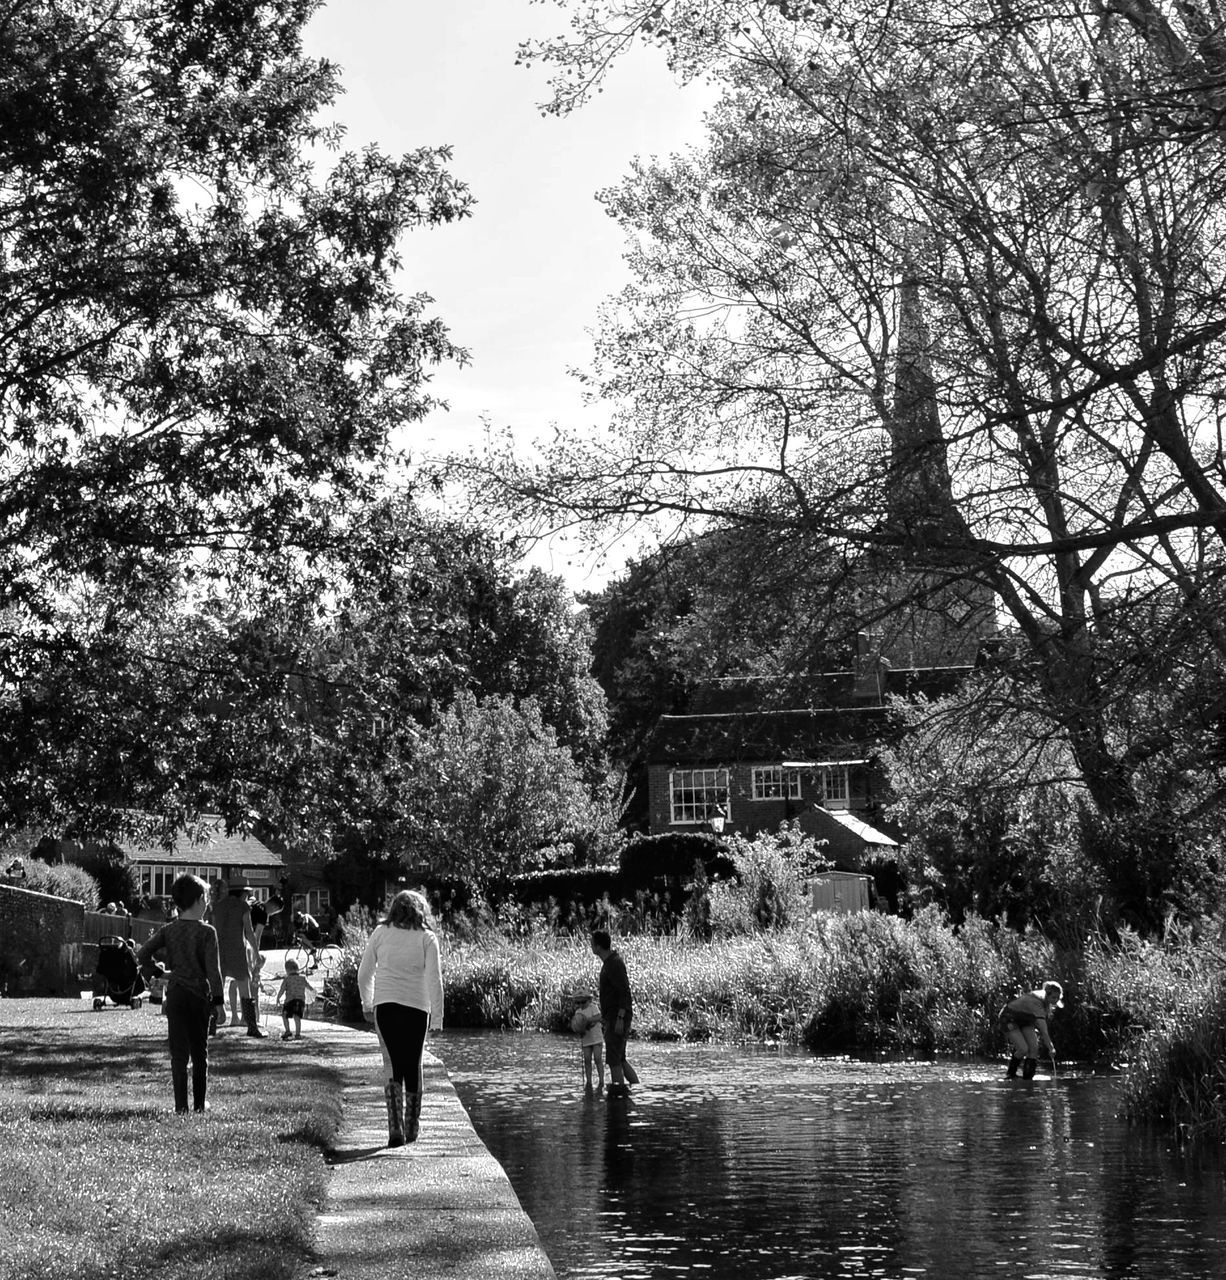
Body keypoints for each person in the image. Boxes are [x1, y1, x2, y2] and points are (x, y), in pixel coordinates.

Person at [357, 889, 444, 1148]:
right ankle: (412, 1126)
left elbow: (364, 973)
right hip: (417, 1007)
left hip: (385, 1006)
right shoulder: (427, 938)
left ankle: (394, 1128)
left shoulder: (380, 933)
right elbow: (434, 980)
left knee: (391, 1065)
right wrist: (437, 1017)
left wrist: (367, 1003)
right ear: (421, 911)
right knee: (413, 1064)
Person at [136, 873, 226, 1114]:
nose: (207, 904)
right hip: (198, 996)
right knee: (199, 1053)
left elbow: (142, 954)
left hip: (175, 995)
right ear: (197, 901)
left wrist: (158, 971)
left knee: (178, 1053)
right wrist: (219, 1002)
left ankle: (180, 1106)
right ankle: (199, 1105)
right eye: (206, 899)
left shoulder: (168, 930)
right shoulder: (207, 932)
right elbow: (213, 971)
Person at [210, 877, 265, 1038]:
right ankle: (252, 1027)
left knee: (216, 986)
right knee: (244, 988)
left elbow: (212, 930)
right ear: (243, 893)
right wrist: (256, 952)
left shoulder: (217, 906)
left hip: (219, 950)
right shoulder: (243, 906)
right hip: (237, 950)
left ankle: (211, 1025)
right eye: (247, 894)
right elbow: (248, 931)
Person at [591, 929, 634, 1095]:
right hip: (613, 1017)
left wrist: (620, 1017)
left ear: (599, 946)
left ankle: (618, 1096)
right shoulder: (609, 962)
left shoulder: (614, 963)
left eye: (592, 943)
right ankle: (636, 1089)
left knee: (614, 1060)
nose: (591, 946)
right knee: (620, 1059)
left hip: (618, 1018)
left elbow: (624, 991)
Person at [1000, 980, 1064, 1079]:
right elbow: (1043, 1030)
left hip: (1026, 1019)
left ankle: (1028, 1079)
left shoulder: (1045, 1002)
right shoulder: (1036, 1002)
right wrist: (1051, 1048)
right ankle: (1011, 1074)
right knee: (1023, 1049)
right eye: (1053, 997)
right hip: (1009, 1017)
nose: (1055, 1000)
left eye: (1058, 998)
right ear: (1047, 995)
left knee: (1034, 1048)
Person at [569, 987, 605, 1091]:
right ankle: (589, 1081)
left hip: (596, 1038)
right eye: (578, 1003)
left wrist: (587, 1021)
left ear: (589, 1000)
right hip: (586, 1039)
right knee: (587, 1059)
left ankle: (601, 1080)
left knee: (598, 1058)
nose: (580, 1005)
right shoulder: (577, 1013)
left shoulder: (593, 1007)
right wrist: (579, 1030)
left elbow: (599, 1017)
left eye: (583, 1002)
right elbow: (577, 1026)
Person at [275, 957, 316, 1041]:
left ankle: (287, 1030)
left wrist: (278, 997)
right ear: (297, 968)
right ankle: (298, 1034)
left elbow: (282, 989)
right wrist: (313, 991)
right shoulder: (303, 978)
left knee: (284, 1015)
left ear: (287, 970)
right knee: (297, 1017)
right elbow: (309, 986)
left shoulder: (287, 979)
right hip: (300, 1001)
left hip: (290, 1001)